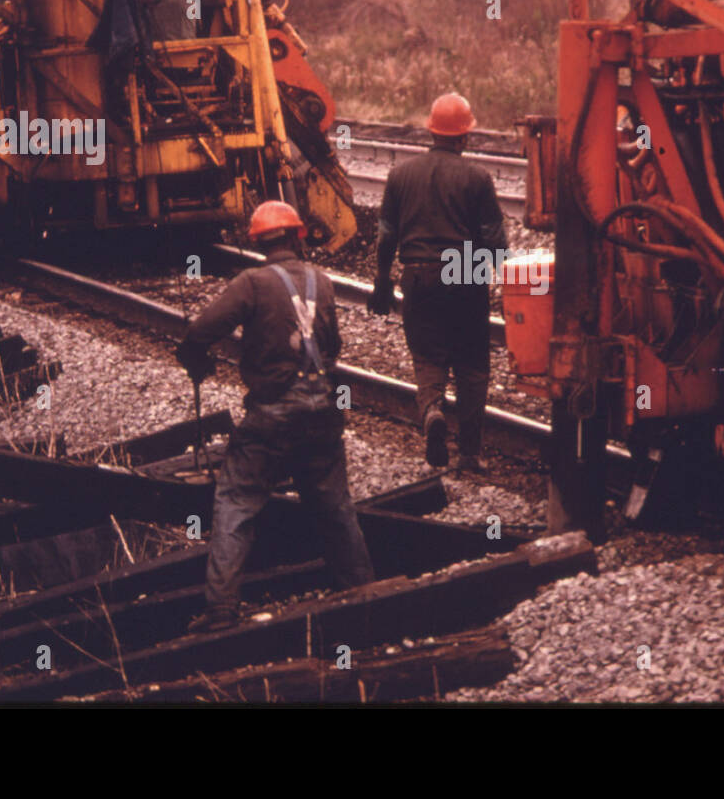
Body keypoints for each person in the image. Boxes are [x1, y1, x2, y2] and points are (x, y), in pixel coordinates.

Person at [175, 201, 374, 633]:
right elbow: (332, 346)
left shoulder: (250, 283)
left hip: (271, 417)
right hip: (323, 410)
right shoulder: (322, 280)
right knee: (335, 505)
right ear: (299, 236)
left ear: (257, 242)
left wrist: (194, 358)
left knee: (236, 501)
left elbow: (201, 330)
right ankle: (361, 591)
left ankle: (222, 610)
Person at [368, 93, 507, 473]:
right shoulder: (478, 178)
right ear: (464, 137)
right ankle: (469, 454)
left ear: (432, 131)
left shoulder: (400, 175)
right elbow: (495, 242)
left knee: (428, 356)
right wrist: (489, 283)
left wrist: (382, 280)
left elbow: (386, 235)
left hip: (418, 273)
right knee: (472, 364)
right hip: (464, 271)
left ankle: (431, 411)